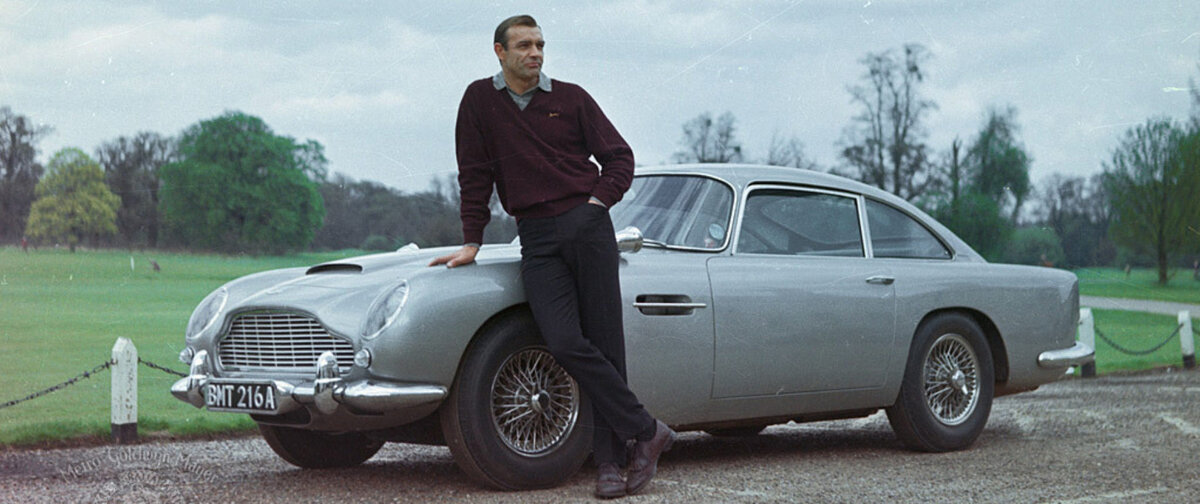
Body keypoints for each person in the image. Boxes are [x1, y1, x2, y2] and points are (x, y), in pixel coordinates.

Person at [429, 14, 674, 498]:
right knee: (563, 341)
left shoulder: (572, 98)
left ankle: (610, 463)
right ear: (499, 51)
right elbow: (474, 173)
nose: (535, 53)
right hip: (536, 236)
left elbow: (620, 158)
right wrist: (472, 239)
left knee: (605, 343)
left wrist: (596, 204)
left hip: (588, 228)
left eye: (540, 44)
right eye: (524, 45)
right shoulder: (479, 100)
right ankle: (648, 431)